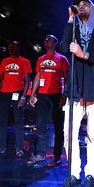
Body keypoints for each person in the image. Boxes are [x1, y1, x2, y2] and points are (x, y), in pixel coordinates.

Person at [53, 0, 94, 187]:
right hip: (75, 90)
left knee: (93, 134)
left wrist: (84, 54)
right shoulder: (75, 29)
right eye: (77, 5)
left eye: (84, 4)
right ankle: (73, 175)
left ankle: (89, 175)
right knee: (68, 133)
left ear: (93, 8)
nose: (80, 7)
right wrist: (70, 21)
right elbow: (63, 47)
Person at [27, 34, 69, 167]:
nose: (46, 41)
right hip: (43, 95)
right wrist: (33, 94)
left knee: (58, 126)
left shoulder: (62, 59)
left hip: (56, 95)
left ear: (55, 43)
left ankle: (57, 156)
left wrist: (64, 95)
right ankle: (40, 154)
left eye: (49, 39)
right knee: (40, 124)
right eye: (45, 39)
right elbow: (38, 77)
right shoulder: (40, 59)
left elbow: (67, 78)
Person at [0, 41, 32, 157]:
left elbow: (27, 80)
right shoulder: (4, 61)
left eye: (13, 46)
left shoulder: (24, 61)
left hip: (17, 92)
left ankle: (19, 147)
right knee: (2, 120)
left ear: (18, 48)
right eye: (10, 46)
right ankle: (1, 146)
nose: (11, 48)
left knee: (18, 121)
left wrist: (24, 96)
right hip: (5, 93)